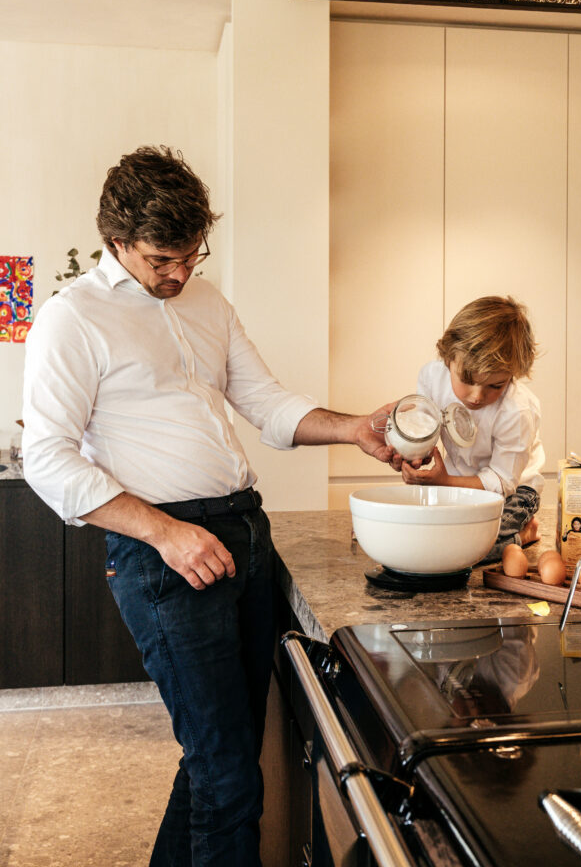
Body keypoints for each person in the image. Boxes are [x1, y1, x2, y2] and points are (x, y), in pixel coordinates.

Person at [21, 145, 397, 867]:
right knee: (228, 774)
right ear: (117, 242)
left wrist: (352, 429)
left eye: (192, 255)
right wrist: (167, 533)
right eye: (164, 259)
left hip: (242, 534)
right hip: (165, 556)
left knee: (218, 755)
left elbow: (265, 402)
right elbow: (48, 457)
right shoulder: (73, 319)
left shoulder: (206, 301)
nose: (180, 273)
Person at [400, 295, 545, 561]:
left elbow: (502, 481)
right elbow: (425, 427)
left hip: (515, 490)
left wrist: (445, 482)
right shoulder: (433, 378)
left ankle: (524, 533)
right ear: (448, 359)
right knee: (424, 534)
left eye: (495, 386)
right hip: (457, 482)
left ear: (512, 375)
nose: (477, 396)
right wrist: (412, 455)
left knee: (472, 547)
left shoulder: (516, 411)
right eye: (467, 379)